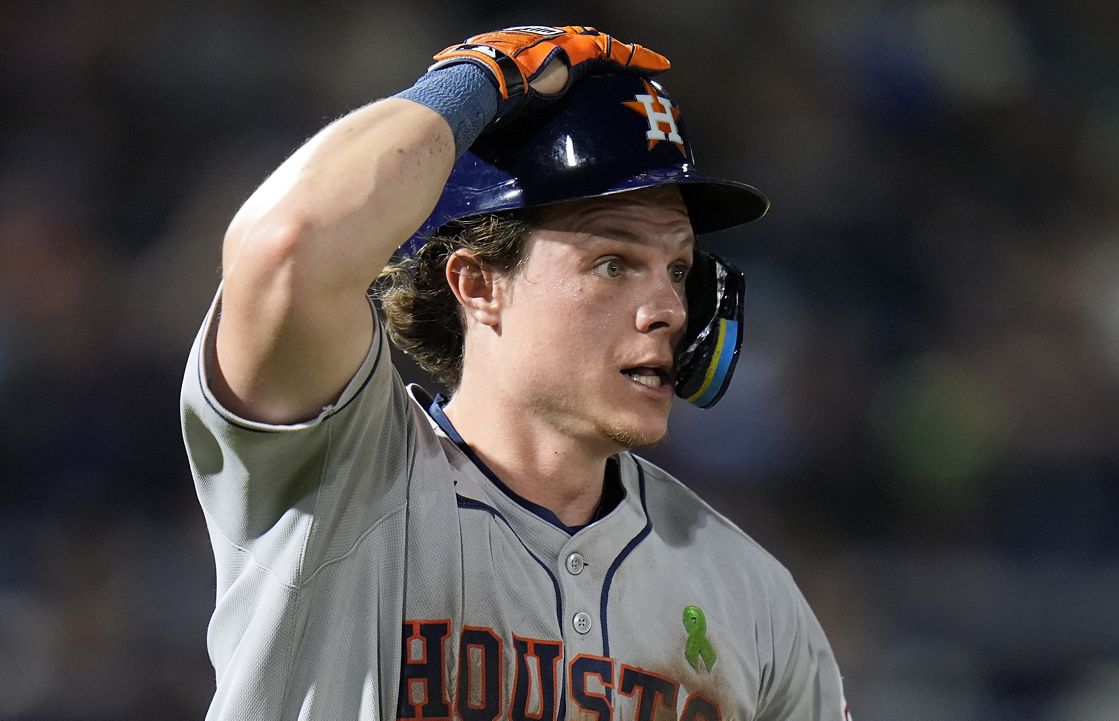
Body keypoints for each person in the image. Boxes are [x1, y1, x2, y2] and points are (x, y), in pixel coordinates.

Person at [181, 25, 849, 720]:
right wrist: (475, 81)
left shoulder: (752, 600)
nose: (668, 309)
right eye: (613, 262)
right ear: (477, 285)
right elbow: (289, 246)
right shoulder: (336, 476)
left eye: (678, 268)